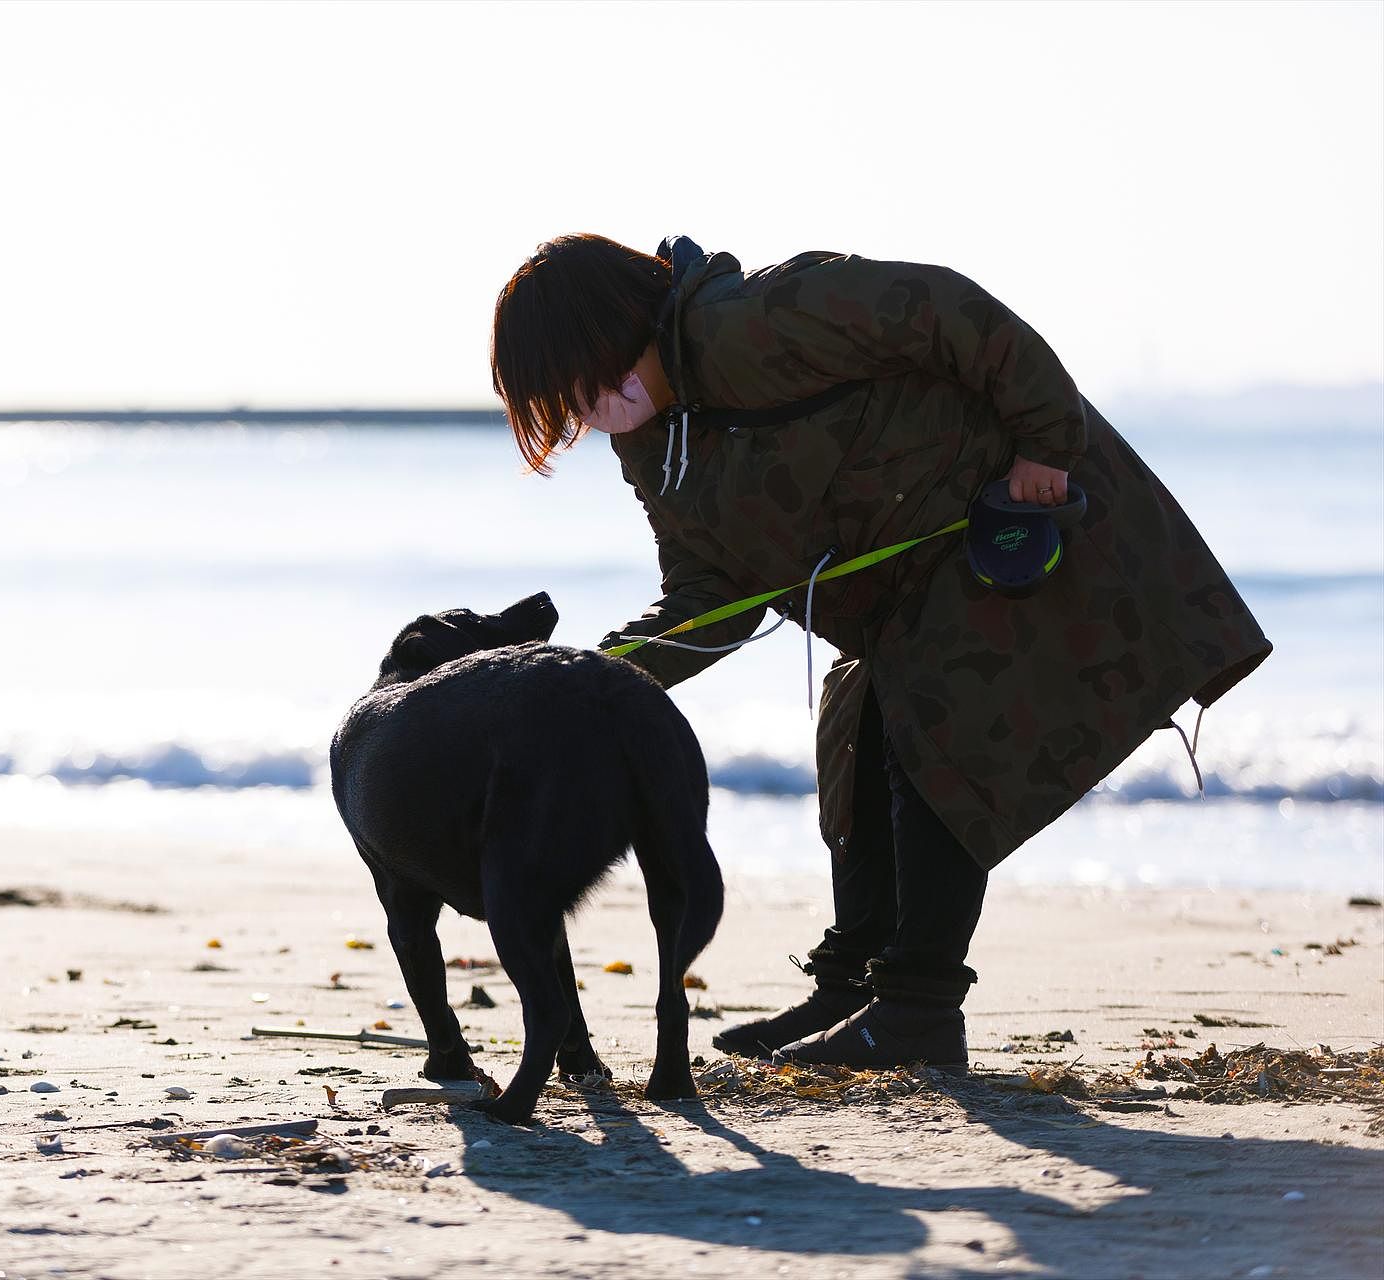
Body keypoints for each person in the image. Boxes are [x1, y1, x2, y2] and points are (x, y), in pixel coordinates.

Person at [487, 234, 1271, 1068]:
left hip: (1012, 515)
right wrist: (594, 682)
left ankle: (917, 1013)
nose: (589, 407)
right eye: (568, 403)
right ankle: (854, 988)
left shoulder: (754, 322)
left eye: (582, 379)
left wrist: (1045, 440)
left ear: (613, 325)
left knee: (936, 733)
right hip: (896, 607)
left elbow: (948, 310)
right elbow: (709, 594)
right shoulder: (651, 445)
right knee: (857, 735)